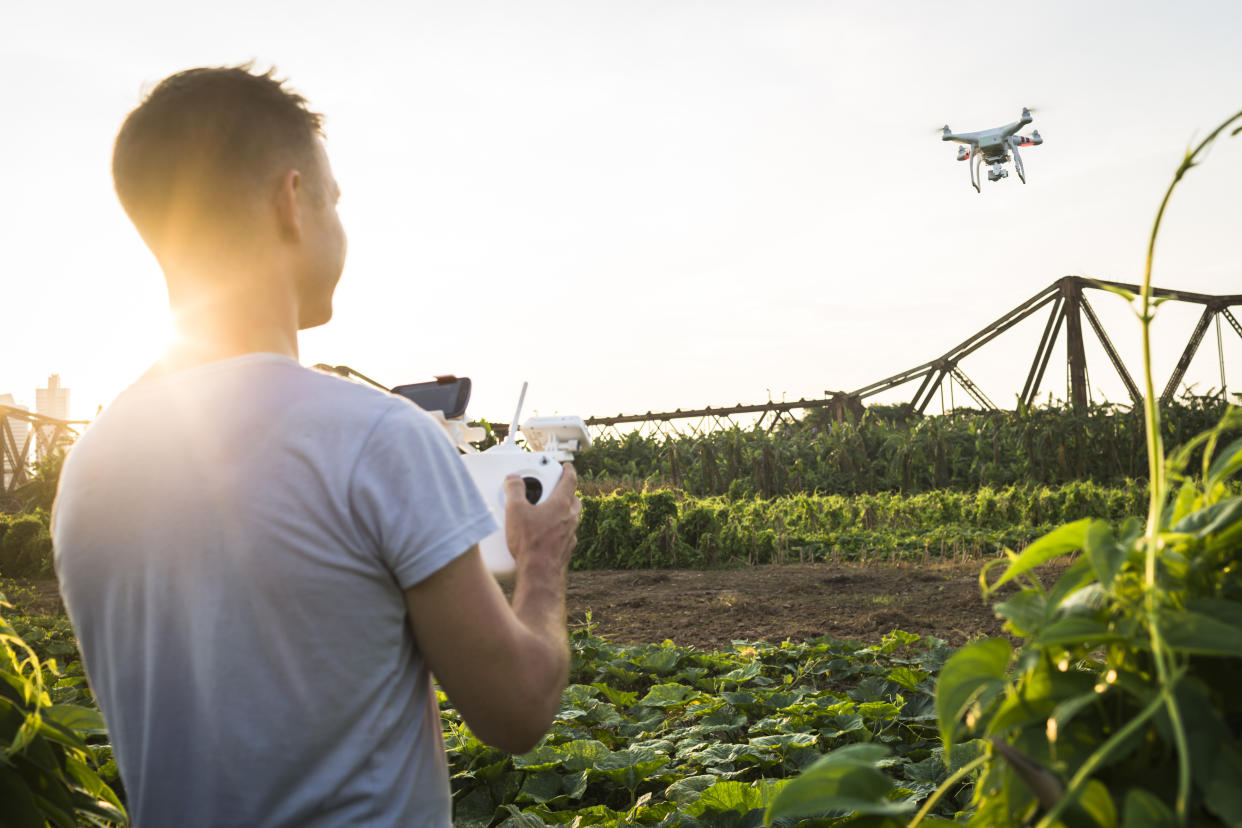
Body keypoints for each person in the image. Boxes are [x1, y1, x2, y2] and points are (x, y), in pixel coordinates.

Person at [51, 64, 581, 827]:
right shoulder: (375, 436)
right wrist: (541, 565)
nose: (338, 220)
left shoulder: (90, 465)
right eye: (334, 199)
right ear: (291, 202)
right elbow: (518, 710)